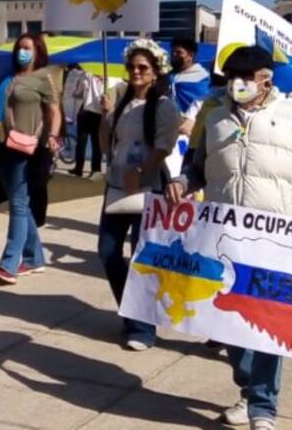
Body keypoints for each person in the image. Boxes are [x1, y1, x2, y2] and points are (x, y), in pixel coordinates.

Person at [168, 45, 292, 430]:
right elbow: (196, 169)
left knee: (267, 325)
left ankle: (263, 407)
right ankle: (248, 387)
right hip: (223, 239)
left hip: (275, 242)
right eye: (231, 78)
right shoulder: (214, 118)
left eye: (245, 78)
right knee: (225, 321)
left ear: (266, 80)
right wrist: (181, 182)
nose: (237, 85)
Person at [96, 39, 181, 351]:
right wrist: (105, 118)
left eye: (143, 67)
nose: (136, 72)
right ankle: (130, 310)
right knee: (107, 251)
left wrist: (142, 168)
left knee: (140, 257)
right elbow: (106, 145)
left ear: (156, 71)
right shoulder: (122, 102)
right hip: (117, 185)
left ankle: (142, 327)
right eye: (132, 67)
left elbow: (164, 146)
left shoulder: (164, 106)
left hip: (148, 187)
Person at [0, 33, 60, 285]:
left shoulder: (43, 77)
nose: (22, 52)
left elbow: (54, 111)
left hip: (27, 148)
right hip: (4, 145)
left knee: (18, 204)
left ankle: (9, 263)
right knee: (20, 203)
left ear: (38, 51)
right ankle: (34, 258)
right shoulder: (10, 77)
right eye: (19, 47)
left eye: (27, 48)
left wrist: (53, 136)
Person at [70, 66, 105, 177]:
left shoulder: (87, 74)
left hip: (86, 111)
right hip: (100, 113)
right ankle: (96, 169)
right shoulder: (109, 76)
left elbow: (78, 92)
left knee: (81, 142)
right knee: (97, 144)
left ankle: (78, 168)